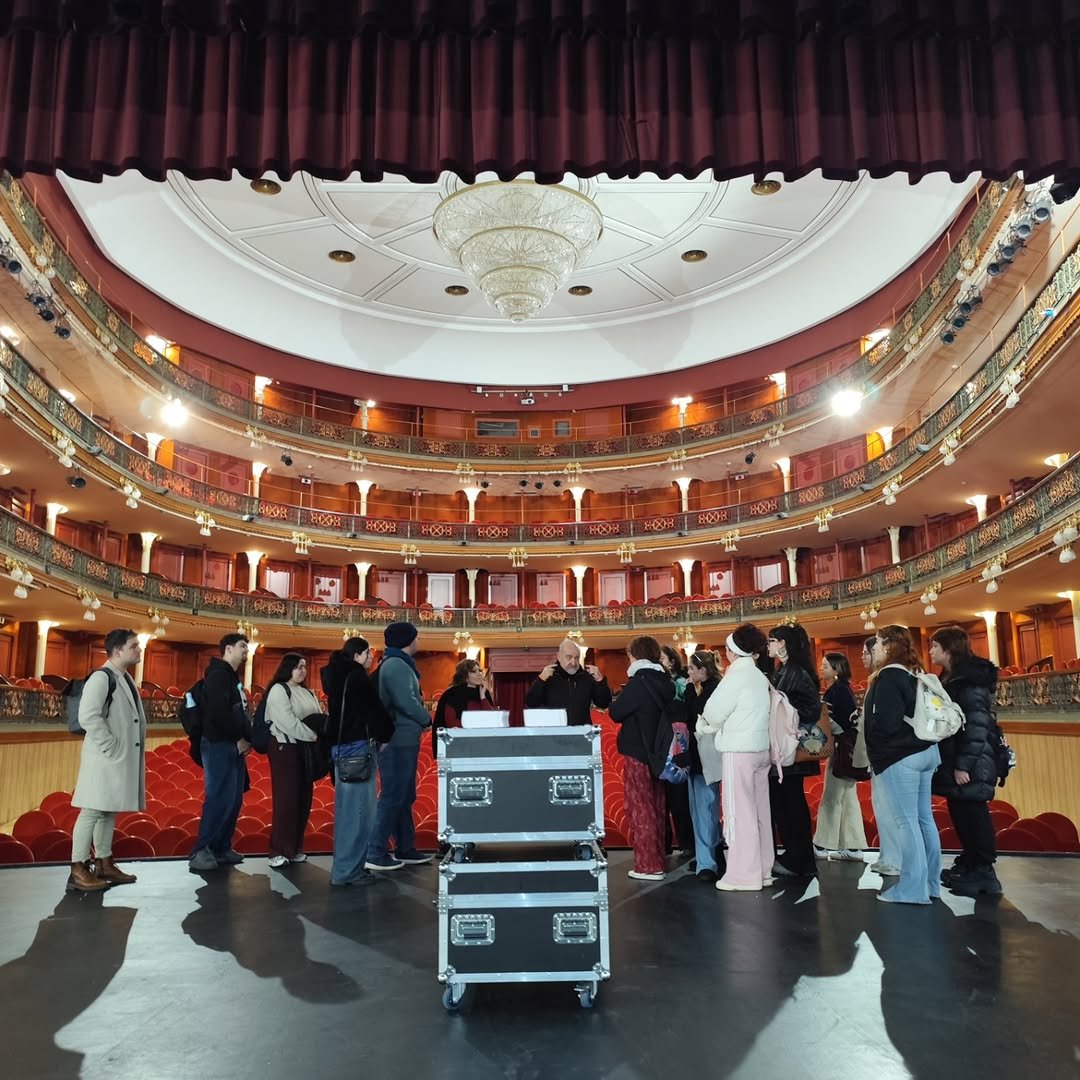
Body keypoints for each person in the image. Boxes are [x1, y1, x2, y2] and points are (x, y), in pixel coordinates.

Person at [864, 625, 941, 904]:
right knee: (924, 820)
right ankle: (931, 884)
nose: (874, 648)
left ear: (887, 646)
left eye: (878, 643)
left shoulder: (888, 677)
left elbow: (886, 723)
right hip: (927, 752)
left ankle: (912, 889)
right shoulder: (913, 673)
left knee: (906, 822)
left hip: (900, 756)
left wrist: (877, 749)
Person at [67, 628, 146, 893]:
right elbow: (88, 716)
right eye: (134, 645)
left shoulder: (122, 677)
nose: (139, 649)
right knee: (91, 810)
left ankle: (104, 862)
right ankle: (78, 867)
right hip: (104, 756)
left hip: (112, 758)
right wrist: (111, 745)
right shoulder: (102, 678)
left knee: (107, 809)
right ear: (117, 650)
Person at [929, 626, 1003, 897]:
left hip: (970, 763)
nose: (931, 651)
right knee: (961, 812)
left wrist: (963, 765)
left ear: (949, 649)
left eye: (935, 646)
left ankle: (984, 873)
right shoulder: (952, 677)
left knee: (974, 814)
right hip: (957, 759)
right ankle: (972, 864)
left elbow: (976, 726)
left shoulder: (969, 681)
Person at [698, 626, 773, 891]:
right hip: (761, 749)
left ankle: (743, 875)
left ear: (733, 651)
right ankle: (763, 869)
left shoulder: (736, 675)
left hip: (739, 750)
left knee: (739, 812)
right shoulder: (759, 675)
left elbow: (714, 712)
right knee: (760, 810)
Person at [324, 637, 394, 887]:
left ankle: (346, 869)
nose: (370, 657)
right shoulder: (355, 677)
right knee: (359, 813)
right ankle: (348, 871)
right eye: (366, 653)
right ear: (356, 656)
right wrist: (386, 734)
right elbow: (373, 710)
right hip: (357, 747)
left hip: (342, 747)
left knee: (348, 812)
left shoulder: (336, 676)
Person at [366, 622, 434, 871]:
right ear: (407, 640)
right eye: (415, 637)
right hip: (397, 740)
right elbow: (406, 701)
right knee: (394, 795)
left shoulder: (397, 664)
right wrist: (427, 719)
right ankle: (375, 851)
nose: (418, 641)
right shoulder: (396, 666)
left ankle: (405, 848)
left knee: (404, 796)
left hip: (404, 738)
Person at [609, 635, 675, 880]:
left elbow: (616, 712)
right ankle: (657, 859)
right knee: (657, 808)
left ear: (636, 655)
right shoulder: (665, 681)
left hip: (637, 752)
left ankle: (648, 865)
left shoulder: (638, 683)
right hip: (659, 753)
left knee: (640, 809)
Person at [189, 633, 250, 872]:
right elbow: (218, 713)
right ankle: (201, 851)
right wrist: (238, 739)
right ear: (228, 649)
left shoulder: (231, 677)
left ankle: (221, 847)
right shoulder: (217, 676)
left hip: (231, 744)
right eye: (242, 646)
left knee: (233, 799)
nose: (247, 650)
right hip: (218, 744)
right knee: (218, 798)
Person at [766, 623, 822, 878]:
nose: (769, 645)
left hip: (793, 747)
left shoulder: (796, 671)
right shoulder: (785, 669)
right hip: (787, 748)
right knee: (785, 803)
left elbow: (810, 709)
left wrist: (786, 710)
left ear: (783, 644)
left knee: (791, 805)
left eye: (772, 640)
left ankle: (800, 859)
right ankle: (794, 855)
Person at [265, 653, 321, 869]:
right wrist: (314, 736)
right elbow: (287, 722)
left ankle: (295, 848)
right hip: (284, 748)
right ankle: (278, 850)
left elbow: (318, 716)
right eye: (298, 667)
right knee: (286, 800)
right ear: (288, 668)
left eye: (305, 667)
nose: (302, 671)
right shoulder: (279, 689)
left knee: (304, 799)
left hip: (305, 750)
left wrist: (314, 735)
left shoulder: (307, 692)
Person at [813, 652, 868, 862]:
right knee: (848, 799)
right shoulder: (843, 689)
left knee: (831, 798)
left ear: (836, 669)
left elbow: (843, 723)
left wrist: (825, 725)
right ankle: (853, 847)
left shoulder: (839, 691)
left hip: (841, 748)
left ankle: (822, 844)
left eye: (825, 665)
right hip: (847, 750)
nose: (821, 668)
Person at [863, 634, 900, 878]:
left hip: (888, 755)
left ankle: (896, 860)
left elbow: (887, 720)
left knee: (891, 809)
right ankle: (888, 855)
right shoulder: (876, 678)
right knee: (881, 807)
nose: (866, 656)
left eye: (869, 651)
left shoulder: (889, 677)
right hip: (877, 754)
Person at [684, 650, 723, 882]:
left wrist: (689, 691)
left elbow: (693, 716)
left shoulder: (706, 691)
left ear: (703, 670)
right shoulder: (717, 687)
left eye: (691, 668)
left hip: (704, 757)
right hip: (710, 756)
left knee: (703, 811)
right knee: (708, 809)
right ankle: (712, 857)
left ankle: (706, 864)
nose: (688, 673)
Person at [525, 638, 612, 725]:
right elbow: (531, 703)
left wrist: (600, 681)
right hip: (554, 732)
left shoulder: (587, 677)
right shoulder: (547, 677)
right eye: (569, 657)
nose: (573, 662)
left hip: (582, 732)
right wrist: (540, 680)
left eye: (577, 658)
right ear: (559, 656)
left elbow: (603, 704)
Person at [658, 643, 693, 857]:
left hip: (679, 742)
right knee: (661, 798)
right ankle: (664, 844)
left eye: (663, 658)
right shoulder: (655, 683)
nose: (660, 662)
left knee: (680, 796)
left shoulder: (681, 684)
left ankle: (687, 844)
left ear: (672, 661)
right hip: (660, 744)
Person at [431, 659, 496, 756]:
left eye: (480, 670)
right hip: (460, 746)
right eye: (474, 671)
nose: (479, 674)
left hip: (483, 745)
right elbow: (451, 723)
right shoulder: (451, 694)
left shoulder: (484, 692)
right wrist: (477, 724)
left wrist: (483, 697)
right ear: (465, 675)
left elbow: (491, 719)